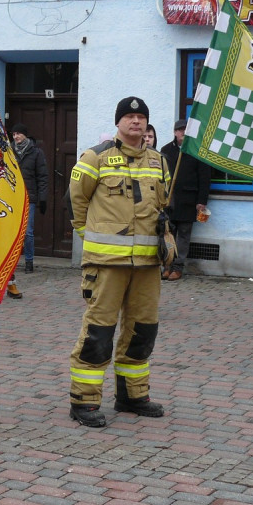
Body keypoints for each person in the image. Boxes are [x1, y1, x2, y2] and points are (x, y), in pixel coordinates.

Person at [66, 96, 171, 427]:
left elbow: (163, 205)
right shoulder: (95, 157)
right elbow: (76, 201)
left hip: (147, 266)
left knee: (143, 331)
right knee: (99, 331)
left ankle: (132, 395)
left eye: (141, 117)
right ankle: (83, 401)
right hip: (106, 263)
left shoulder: (160, 161)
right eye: (130, 116)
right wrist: (90, 236)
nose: (136, 122)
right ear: (118, 122)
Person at [159, 119, 211, 281]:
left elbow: (205, 177)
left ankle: (178, 267)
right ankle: (167, 265)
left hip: (189, 199)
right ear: (175, 132)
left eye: (185, 130)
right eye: (180, 130)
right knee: (168, 234)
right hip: (169, 201)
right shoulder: (166, 150)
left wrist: (201, 200)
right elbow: (160, 175)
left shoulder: (197, 150)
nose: (182, 132)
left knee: (183, 235)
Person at [10, 123, 49, 275]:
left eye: (18, 133)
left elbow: (42, 176)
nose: (16, 137)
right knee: (12, 231)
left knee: (28, 232)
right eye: (13, 134)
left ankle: (29, 261)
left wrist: (43, 198)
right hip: (12, 197)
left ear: (25, 135)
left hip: (29, 197)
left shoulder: (36, 152)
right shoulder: (9, 151)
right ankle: (11, 261)